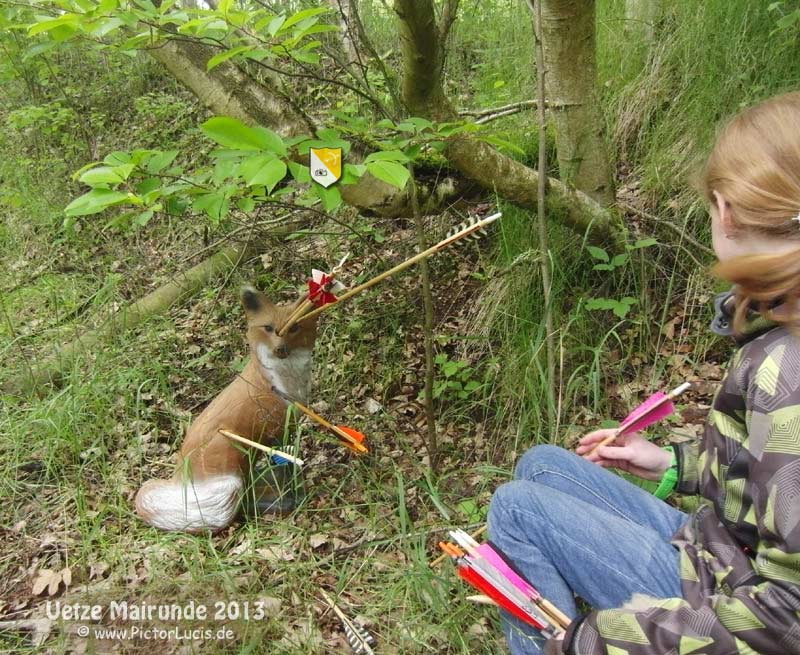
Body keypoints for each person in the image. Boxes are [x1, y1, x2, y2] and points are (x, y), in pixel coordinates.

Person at [488, 91, 800, 655]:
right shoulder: (779, 331)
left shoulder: (789, 371)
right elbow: (769, 479)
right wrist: (669, 463)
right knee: (543, 467)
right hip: (725, 557)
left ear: (725, 210)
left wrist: (590, 641)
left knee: (515, 510)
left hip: (733, 607)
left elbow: (787, 622)